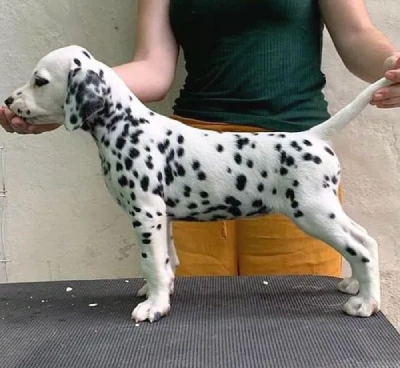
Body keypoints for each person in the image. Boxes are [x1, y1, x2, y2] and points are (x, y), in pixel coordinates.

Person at [1, 0, 399, 278]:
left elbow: (356, 35)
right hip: (192, 163)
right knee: (193, 340)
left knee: (292, 337)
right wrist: (67, 101)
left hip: (291, 155)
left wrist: (392, 65)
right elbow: (154, 69)